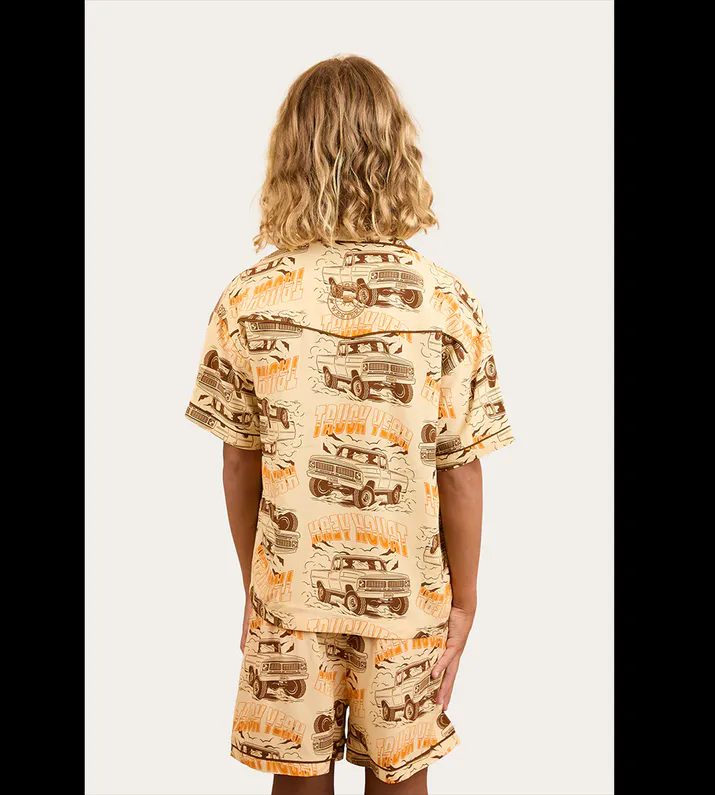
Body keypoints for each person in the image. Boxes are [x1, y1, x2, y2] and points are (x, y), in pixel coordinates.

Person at [185, 55, 514, 795]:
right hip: (407, 597)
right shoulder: (446, 301)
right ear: (397, 154)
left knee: (297, 779)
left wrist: (260, 586)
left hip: (290, 591)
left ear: (289, 158)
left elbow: (239, 462)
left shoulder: (249, 298)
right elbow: (461, 470)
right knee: (401, 780)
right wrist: (464, 602)